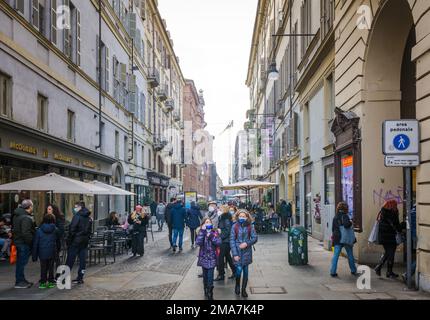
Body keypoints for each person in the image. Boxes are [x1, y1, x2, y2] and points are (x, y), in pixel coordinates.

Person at [230, 209, 258, 298]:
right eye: (240, 216)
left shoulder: (250, 226)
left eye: (244, 216)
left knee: (245, 272)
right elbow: (232, 240)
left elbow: (255, 238)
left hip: (247, 252)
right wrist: (235, 254)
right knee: (238, 271)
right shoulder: (234, 226)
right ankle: (237, 285)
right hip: (237, 252)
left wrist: (247, 243)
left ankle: (243, 290)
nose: (242, 218)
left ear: (247, 217)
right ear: (237, 216)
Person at [374, 199, 402, 278]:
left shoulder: (382, 212)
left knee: (388, 253)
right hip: (390, 237)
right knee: (391, 254)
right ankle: (386, 271)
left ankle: (381, 268)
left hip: (383, 237)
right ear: (393, 206)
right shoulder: (393, 213)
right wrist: (402, 228)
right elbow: (396, 225)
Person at [66, 201, 93, 285]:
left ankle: (64, 277)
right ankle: (80, 277)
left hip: (76, 241)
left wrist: (70, 240)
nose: (74, 208)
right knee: (82, 260)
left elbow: (72, 229)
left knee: (70, 259)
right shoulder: (88, 218)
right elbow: (89, 231)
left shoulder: (77, 216)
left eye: (75, 207)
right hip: (84, 241)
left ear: (80, 207)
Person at [196, 217, 222, 300]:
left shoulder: (215, 232)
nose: (207, 224)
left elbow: (218, 242)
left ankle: (210, 292)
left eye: (209, 222)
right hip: (203, 257)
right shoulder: (200, 232)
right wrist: (202, 232)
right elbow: (198, 242)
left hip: (212, 258)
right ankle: (205, 289)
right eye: (206, 222)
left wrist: (211, 236)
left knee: (210, 276)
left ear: (211, 224)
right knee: (205, 276)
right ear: (203, 224)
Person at [12, 199, 36, 289]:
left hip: (19, 241)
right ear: (29, 207)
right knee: (21, 263)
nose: (32, 208)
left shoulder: (17, 215)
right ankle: (19, 282)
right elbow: (26, 233)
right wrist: (31, 242)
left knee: (20, 263)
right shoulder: (25, 217)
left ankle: (21, 280)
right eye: (32, 206)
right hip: (23, 243)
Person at [330, 202, 357, 277]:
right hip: (345, 238)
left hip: (337, 238)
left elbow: (333, 228)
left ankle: (333, 271)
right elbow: (346, 225)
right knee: (350, 254)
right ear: (345, 209)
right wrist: (351, 222)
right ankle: (353, 270)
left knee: (335, 256)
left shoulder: (335, 216)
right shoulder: (345, 216)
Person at [32, 213, 58, 289]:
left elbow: (35, 244)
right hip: (52, 251)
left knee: (43, 267)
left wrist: (34, 255)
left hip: (42, 252)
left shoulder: (39, 230)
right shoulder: (55, 229)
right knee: (51, 267)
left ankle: (43, 283)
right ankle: (50, 282)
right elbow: (58, 240)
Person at [215, 205, 236, 281]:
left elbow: (228, 230)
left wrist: (220, 235)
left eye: (220, 209)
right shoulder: (223, 217)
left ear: (224, 210)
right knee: (227, 256)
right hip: (225, 240)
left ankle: (221, 274)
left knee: (221, 257)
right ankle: (235, 271)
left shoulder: (226, 218)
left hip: (225, 241)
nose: (218, 210)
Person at [45, 204, 65, 275]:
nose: (48, 210)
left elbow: (61, 231)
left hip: (55, 242)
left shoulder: (58, 219)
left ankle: (58, 274)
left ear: (54, 210)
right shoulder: (45, 218)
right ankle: (46, 275)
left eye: (49, 209)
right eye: (47, 209)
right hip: (46, 242)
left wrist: (54, 234)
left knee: (56, 258)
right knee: (48, 259)